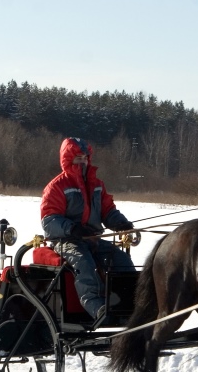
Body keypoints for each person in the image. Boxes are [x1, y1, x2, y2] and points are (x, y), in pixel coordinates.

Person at [40, 137, 136, 320]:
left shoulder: (97, 185)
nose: (83, 161)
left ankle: (127, 308)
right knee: (85, 264)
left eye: (85, 157)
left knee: (121, 259)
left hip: (93, 240)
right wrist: (73, 229)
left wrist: (121, 223)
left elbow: (108, 211)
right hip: (65, 241)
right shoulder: (57, 186)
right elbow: (49, 219)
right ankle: (98, 309)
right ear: (68, 160)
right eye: (78, 158)